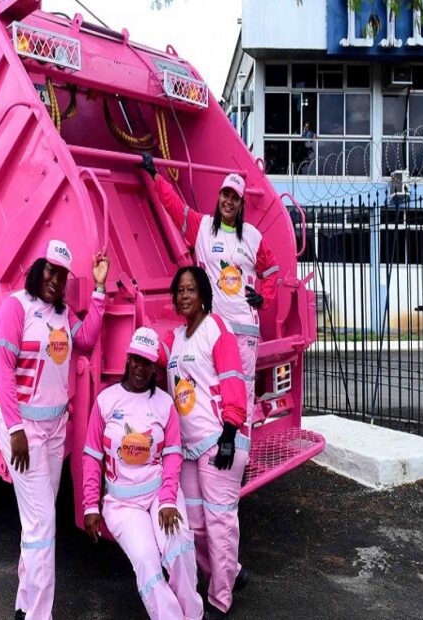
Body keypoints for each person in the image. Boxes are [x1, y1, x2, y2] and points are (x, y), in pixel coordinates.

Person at [0, 240, 109, 620]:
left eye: (61, 275)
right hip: (23, 431)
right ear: (38, 268)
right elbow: (3, 371)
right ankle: (38, 614)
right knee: (44, 522)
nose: (55, 280)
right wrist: (15, 429)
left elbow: (87, 340)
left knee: (36, 523)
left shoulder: (62, 315)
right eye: (50, 271)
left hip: (56, 429)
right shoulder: (16, 307)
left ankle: (24, 607)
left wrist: (100, 289)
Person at [140, 153, 279, 429]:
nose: (229, 201)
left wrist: (265, 298)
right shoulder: (202, 228)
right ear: (219, 198)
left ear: (241, 204)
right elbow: (174, 206)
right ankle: (218, 444)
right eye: (225, 195)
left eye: (235, 198)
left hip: (245, 331)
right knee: (216, 386)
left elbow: (272, 269)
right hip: (215, 328)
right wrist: (155, 175)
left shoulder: (252, 236)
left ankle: (241, 452)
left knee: (244, 390)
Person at [83, 327, 202, 620]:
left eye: (147, 362)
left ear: (153, 368)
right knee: (148, 563)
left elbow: (173, 454)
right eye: (136, 359)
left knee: (179, 547)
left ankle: (193, 615)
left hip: (159, 495)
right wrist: (89, 505)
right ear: (128, 359)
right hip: (122, 505)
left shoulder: (164, 404)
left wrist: (168, 501)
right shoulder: (106, 401)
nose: (140, 367)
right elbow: (91, 455)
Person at [158, 266, 249, 620]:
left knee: (220, 525)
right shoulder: (177, 338)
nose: (184, 295)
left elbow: (232, 380)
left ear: (203, 294)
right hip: (188, 450)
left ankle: (220, 599)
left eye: (190, 289)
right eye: (179, 290)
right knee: (193, 525)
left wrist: (230, 432)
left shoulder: (216, 330)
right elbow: (154, 358)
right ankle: (232, 572)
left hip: (218, 446)